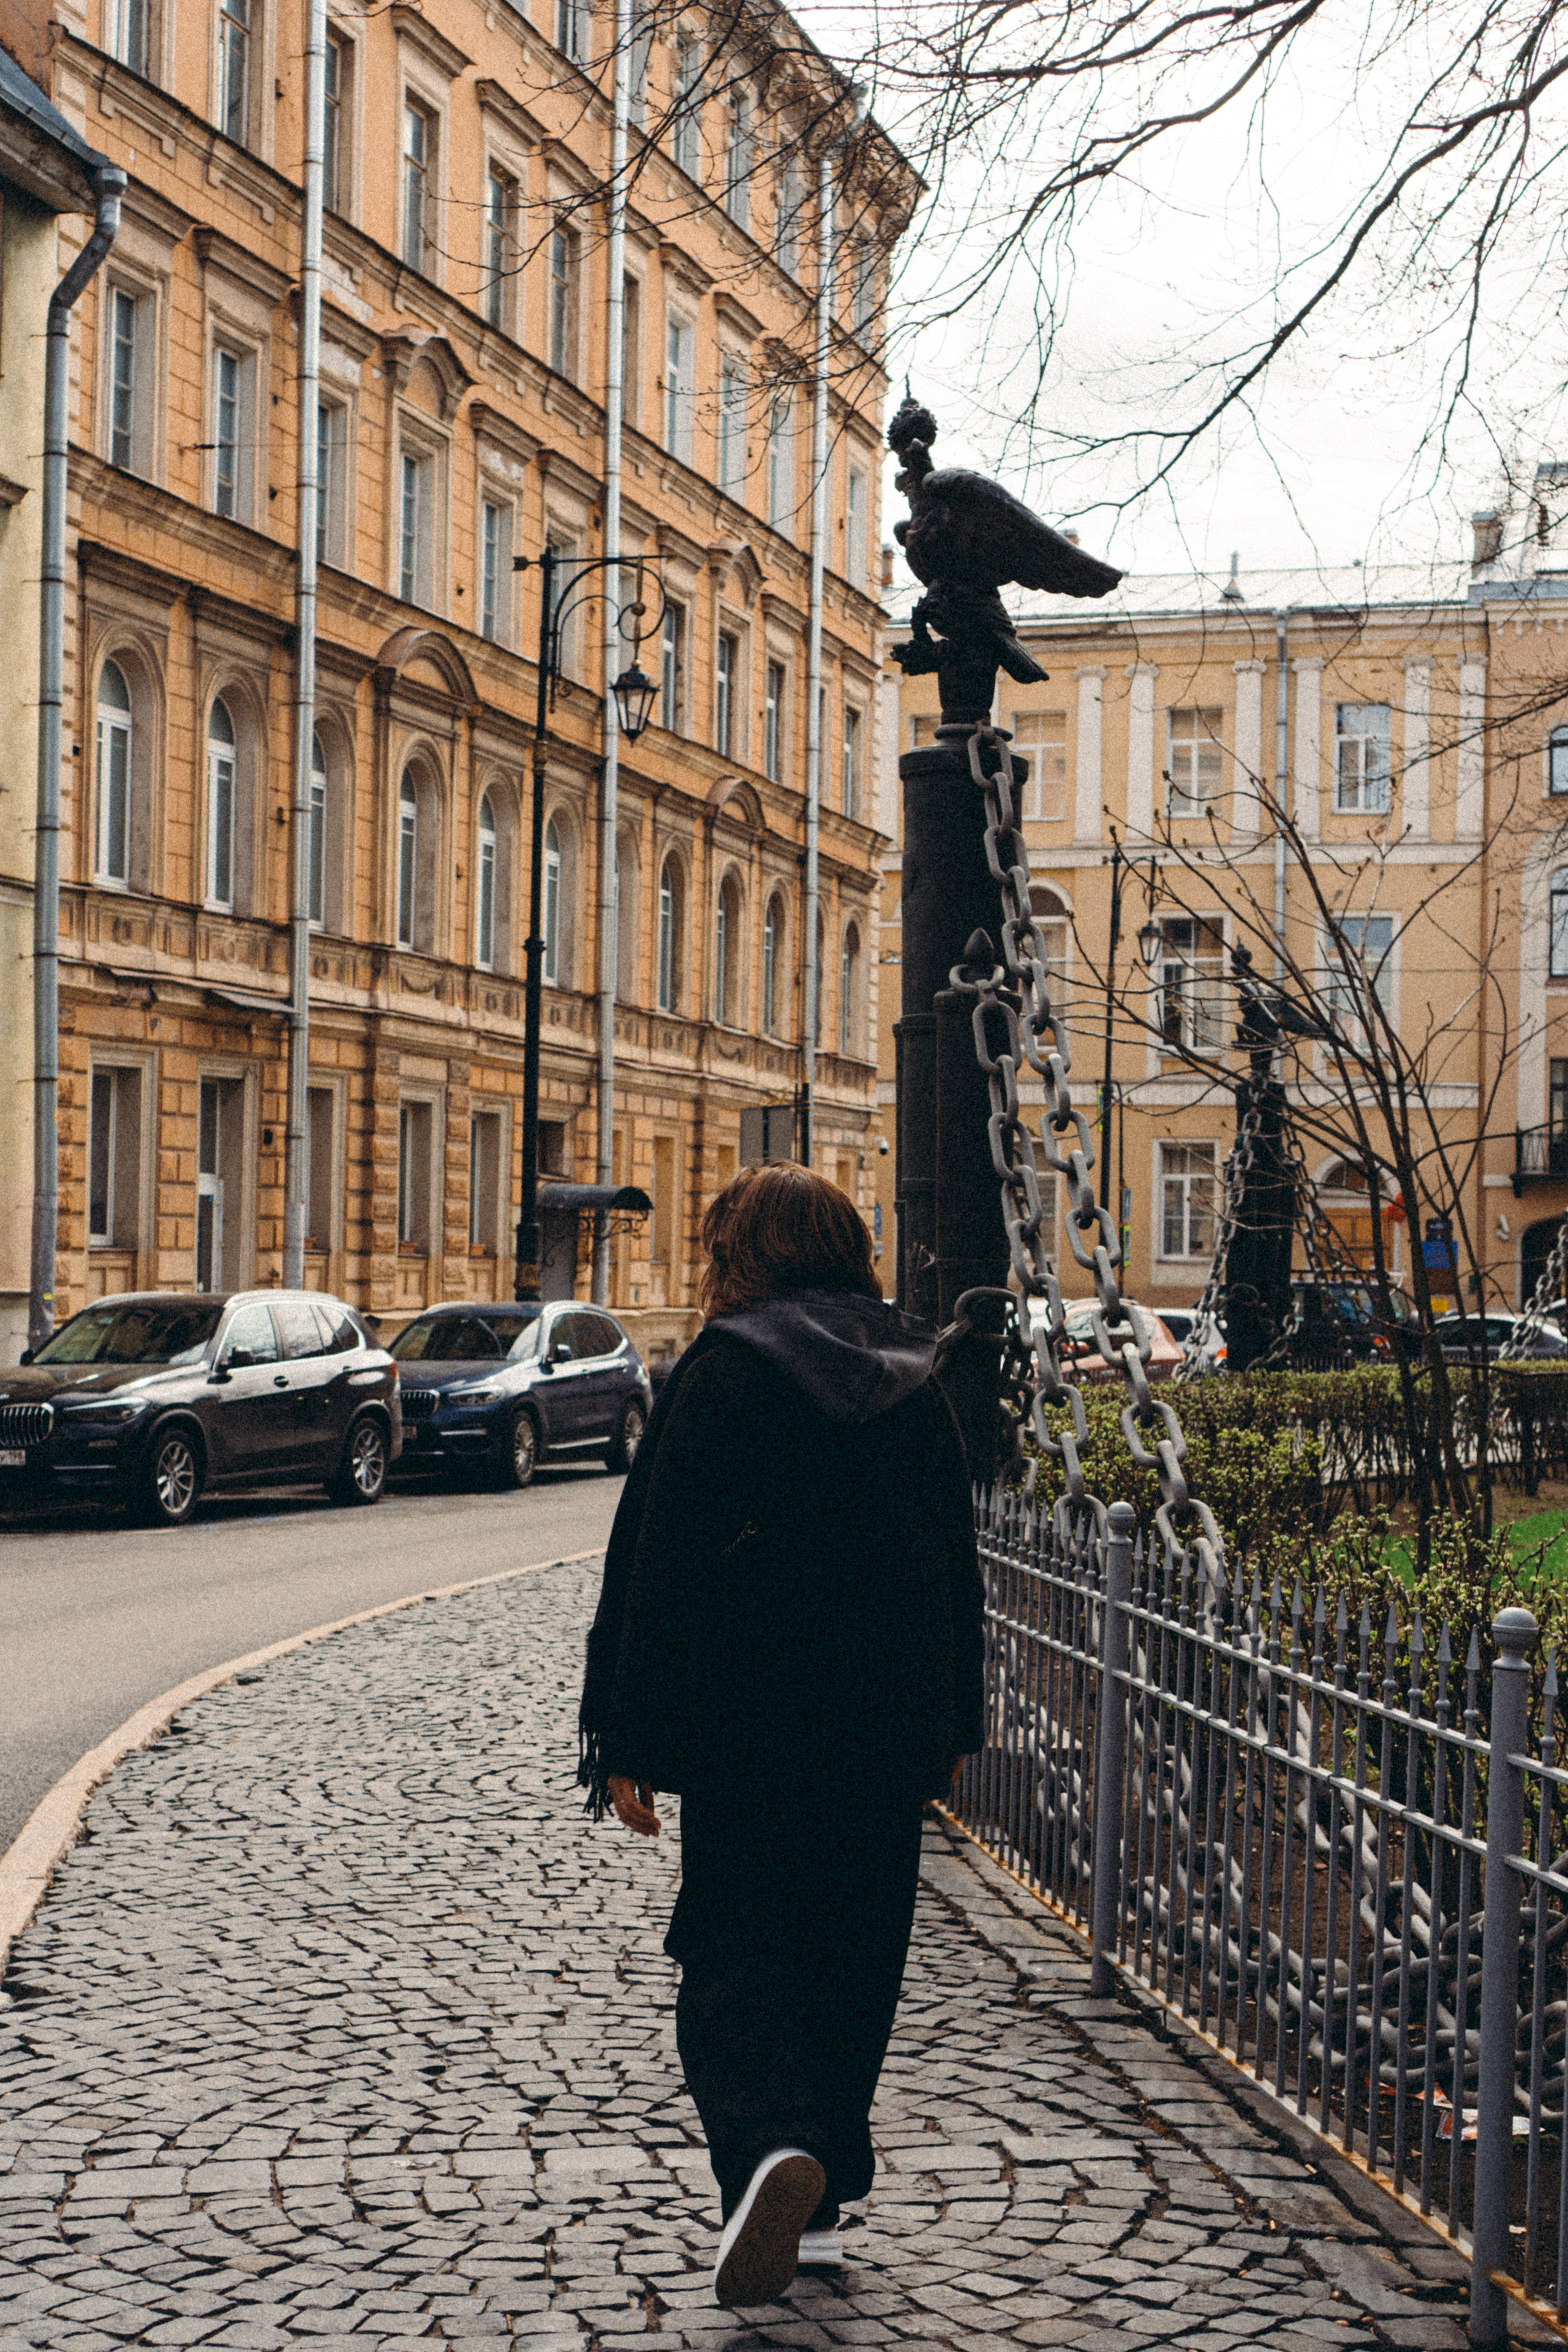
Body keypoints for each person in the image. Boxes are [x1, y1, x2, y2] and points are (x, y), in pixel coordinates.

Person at [578, 1163, 984, 2309]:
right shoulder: (915, 1376)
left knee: (735, 1951)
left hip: (755, 1730)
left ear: (738, 1254)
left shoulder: (729, 1372)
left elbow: (659, 1567)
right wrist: (957, 1717)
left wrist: (628, 1736)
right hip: (886, 1725)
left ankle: (769, 2149)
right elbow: (956, 1563)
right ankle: (822, 2196)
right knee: (858, 1951)